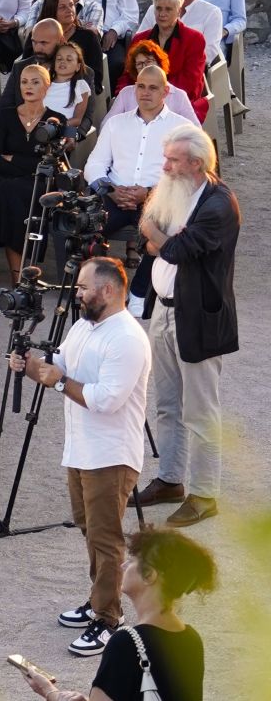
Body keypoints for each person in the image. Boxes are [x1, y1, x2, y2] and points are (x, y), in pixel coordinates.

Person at [7, 257, 151, 657]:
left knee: (105, 539)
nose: (78, 293)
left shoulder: (127, 338)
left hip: (111, 454)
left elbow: (105, 399)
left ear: (107, 290)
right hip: (82, 449)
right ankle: (99, 597)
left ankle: (108, 617)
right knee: (89, 527)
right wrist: (31, 367)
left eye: (84, 287)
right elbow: (59, 368)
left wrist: (57, 381)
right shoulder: (83, 326)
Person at [132, 124, 237, 529]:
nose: (165, 166)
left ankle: (205, 494)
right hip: (165, 311)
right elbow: (155, 244)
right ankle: (171, 480)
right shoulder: (174, 190)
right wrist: (159, 238)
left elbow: (174, 248)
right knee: (166, 402)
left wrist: (156, 235)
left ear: (195, 163)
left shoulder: (219, 204)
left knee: (201, 410)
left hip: (199, 318)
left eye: (173, 159)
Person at [21, 528, 213, 701]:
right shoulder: (191, 639)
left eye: (131, 561)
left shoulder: (126, 643)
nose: (122, 566)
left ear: (149, 576)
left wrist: (50, 692)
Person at [0, 65, 69, 283]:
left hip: (40, 183)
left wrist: (13, 159)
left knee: (5, 191)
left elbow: (48, 165)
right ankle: (18, 278)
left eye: (35, 82)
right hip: (7, 182)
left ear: (47, 86)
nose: (28, 86)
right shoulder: (5, 115)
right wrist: (27, 163)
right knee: (8, 193)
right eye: (24, 82)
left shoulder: (55, 120)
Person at [86, 67, 188, 237]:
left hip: (159, 201)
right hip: (113, 197)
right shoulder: (116, 123)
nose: (145, 92)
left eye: (153, 88)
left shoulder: (181, 128)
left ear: (166, 91)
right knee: (82, 235)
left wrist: (149, 193)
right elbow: (95, 164)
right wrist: (111, 190)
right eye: (141, 86)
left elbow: (186, 177)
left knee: (163, 244)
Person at [123, 0, 209, 123]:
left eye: (168, 9)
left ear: (179, 12)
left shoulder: (194, 39)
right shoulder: (140, 39)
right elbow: (127, 76)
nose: (162, 14)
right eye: (158, 8)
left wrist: (157, 96)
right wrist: (126, 98)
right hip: (141, 100)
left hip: (180, 102)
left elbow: (191, 82)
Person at [103, 39, 200, 124]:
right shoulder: (126, 94)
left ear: (159, 63)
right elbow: (106, 124)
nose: (144, 67)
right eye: (140, 64)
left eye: (149, 61)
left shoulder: (179, 95)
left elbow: (195, 131)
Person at [33, 0, 107, 91]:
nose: (70, 10)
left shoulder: (88, 37)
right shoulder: (38, 34)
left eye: (71, 5)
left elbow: (96, 79)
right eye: (62, 7)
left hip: (77, 93)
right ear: (51, 11)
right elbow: (28, 64)